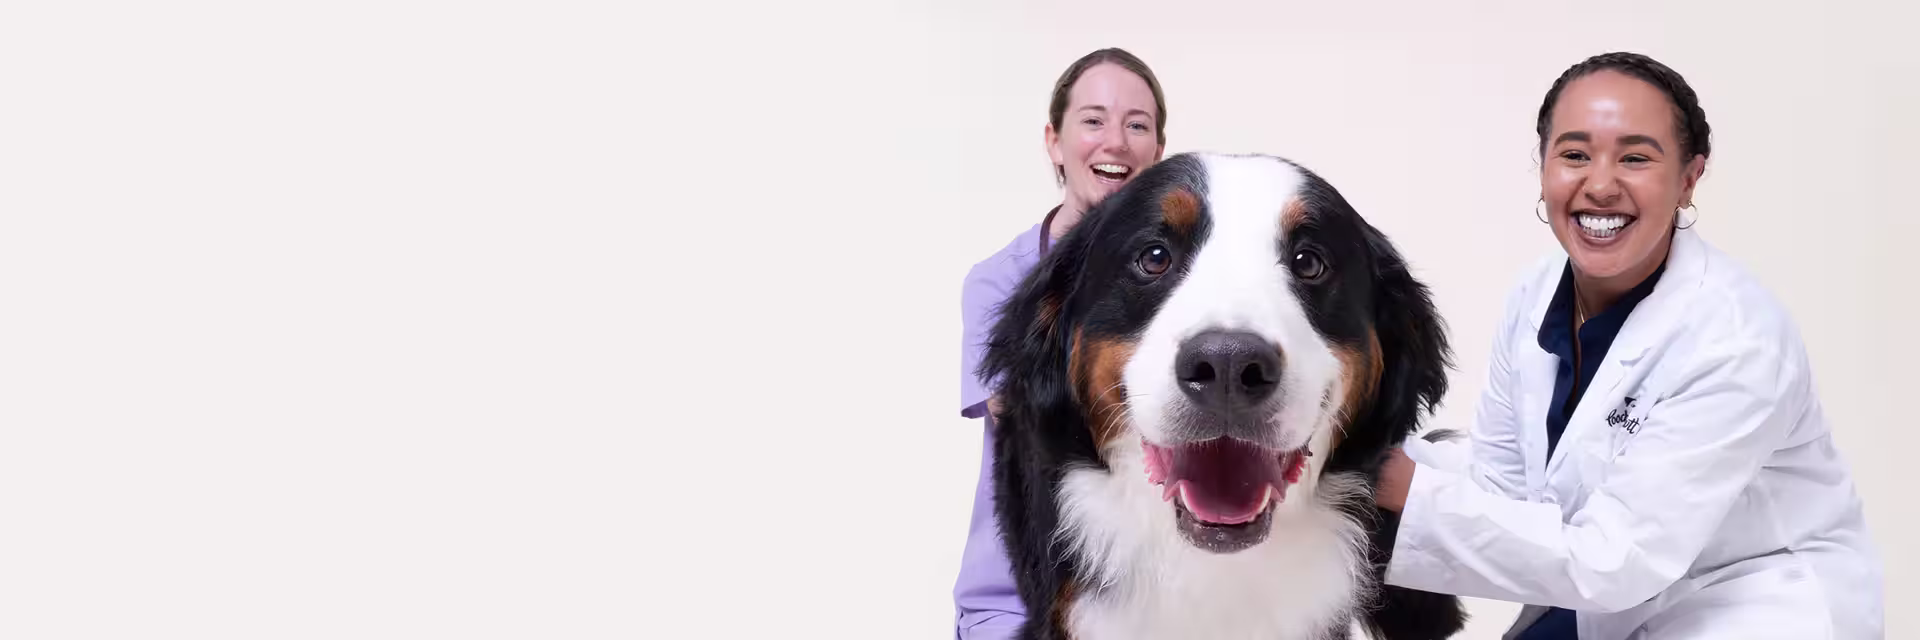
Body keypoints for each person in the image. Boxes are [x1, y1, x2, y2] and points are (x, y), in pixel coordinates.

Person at [1375, 52, 1884, 639]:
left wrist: (1406, 487)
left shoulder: (1737, 340)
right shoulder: (1534, 295)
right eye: (1574, 155)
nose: (1599, 185)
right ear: (1543, 167)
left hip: (1749, 602)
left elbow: (1614, 561)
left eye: (1636, 158)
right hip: (1607, 591)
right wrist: (1381, 461)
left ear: (1689, 179)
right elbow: (1503, 486)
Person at [953, 47, 1169, 639]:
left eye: (1137, 125)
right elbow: (1029, 414)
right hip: (1020, 600)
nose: (1116, 142)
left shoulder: (1181, 289)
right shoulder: (1000, 279)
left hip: (1153, 603)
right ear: (1055, 142)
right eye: (1093, 120)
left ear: (1158, 152)